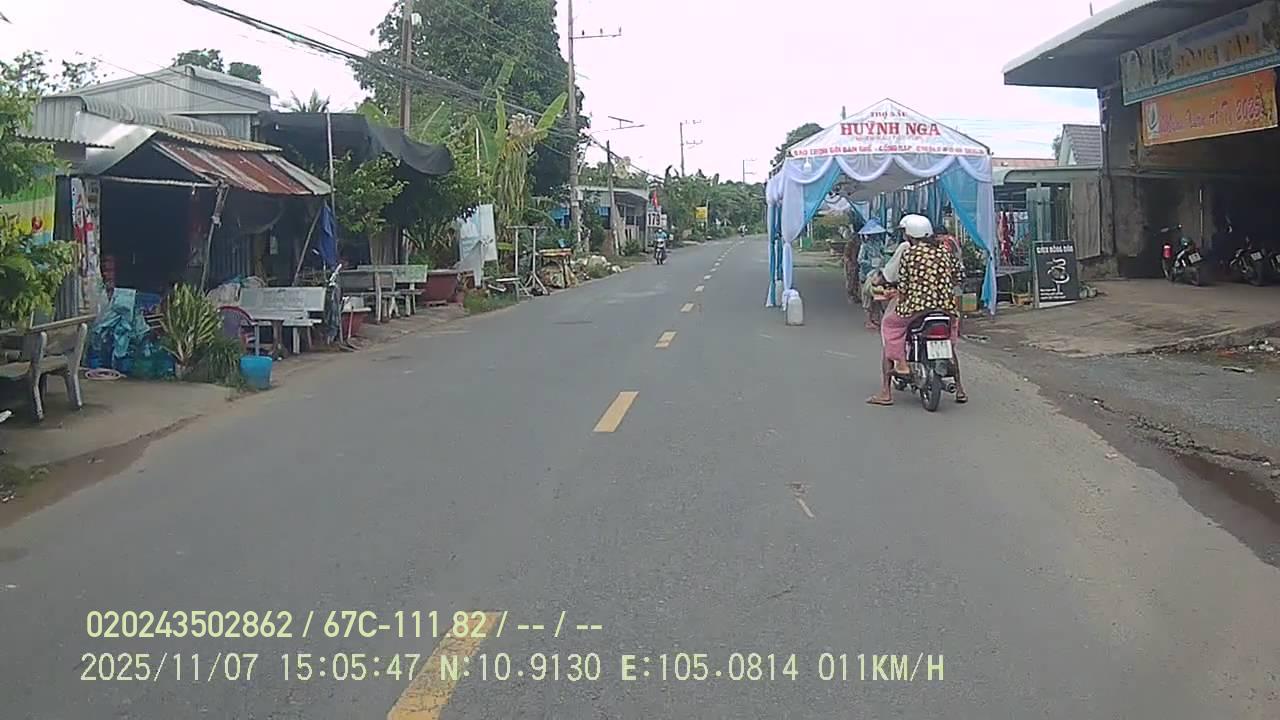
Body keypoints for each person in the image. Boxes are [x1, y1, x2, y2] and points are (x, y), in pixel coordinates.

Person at [867, 214, 966, 406]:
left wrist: (897, 294)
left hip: (917, 307)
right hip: (946, 308)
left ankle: (896, 375)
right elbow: (960, 276)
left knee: (890, 326)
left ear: (910, 234)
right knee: (949, 339)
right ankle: (960, 388)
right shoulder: (944, 251)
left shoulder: (909, 254)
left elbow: (903, 286)